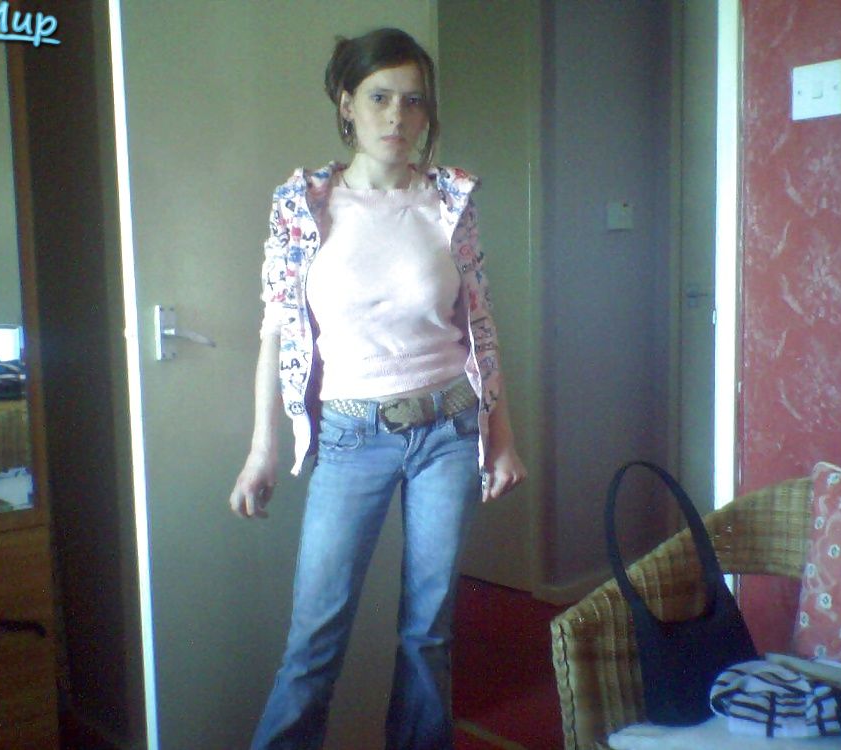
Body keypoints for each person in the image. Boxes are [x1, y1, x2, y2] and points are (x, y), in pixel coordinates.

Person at [228, 27, 526, 750]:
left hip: (450, 431)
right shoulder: (303, 204)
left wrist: (502, 435)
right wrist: (262, 451)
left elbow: (479, 322)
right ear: (347, 105)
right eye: (380, 98)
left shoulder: (450, 200)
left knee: (429, 633)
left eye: (413, 101)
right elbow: (278, 330)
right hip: (349, 435)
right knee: (315, 639)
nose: (398, 116)